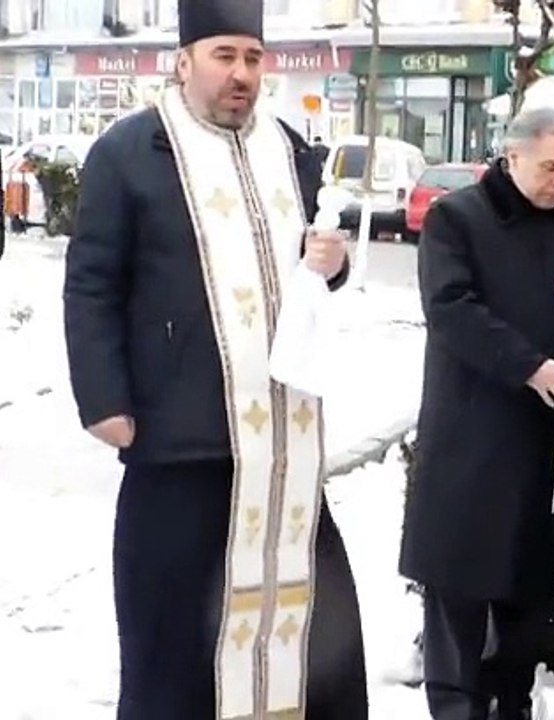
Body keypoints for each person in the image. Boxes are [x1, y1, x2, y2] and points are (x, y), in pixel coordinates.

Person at [62, 1, 368, 718]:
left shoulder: (290, 148)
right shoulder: (131, 152)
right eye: (224, 56)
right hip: (178, 439)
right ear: (184, 59)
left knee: (317, 637)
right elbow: (92, 283)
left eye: (253, 59)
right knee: (173, 647)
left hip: (283, 451)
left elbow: (311, 266)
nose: (241, 75)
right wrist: (105, 400)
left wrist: (332, 261)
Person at [399, 107, 554, 720]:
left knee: (523, 599)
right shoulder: (456, 218)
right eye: (549, 167)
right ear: (511, 155)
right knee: (459, 597)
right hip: (470, 438)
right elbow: (452, 307)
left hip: (540, 442)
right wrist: (526, 364)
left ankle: (511, 706)